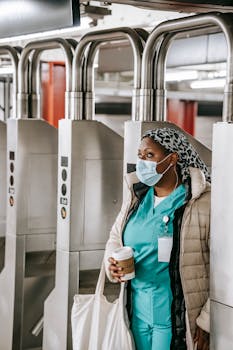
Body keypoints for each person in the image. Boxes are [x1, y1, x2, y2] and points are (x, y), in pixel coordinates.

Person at [104, 127, 210, 350]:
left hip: (176, 316)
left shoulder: (201, 202)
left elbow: (225, 266)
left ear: (172, 158)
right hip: (137, 312)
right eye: (140, 155)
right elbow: (115, 237)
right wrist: (111, 265)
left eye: (150, 155)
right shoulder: (137, 197)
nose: (142, 162)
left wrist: (208, 320)